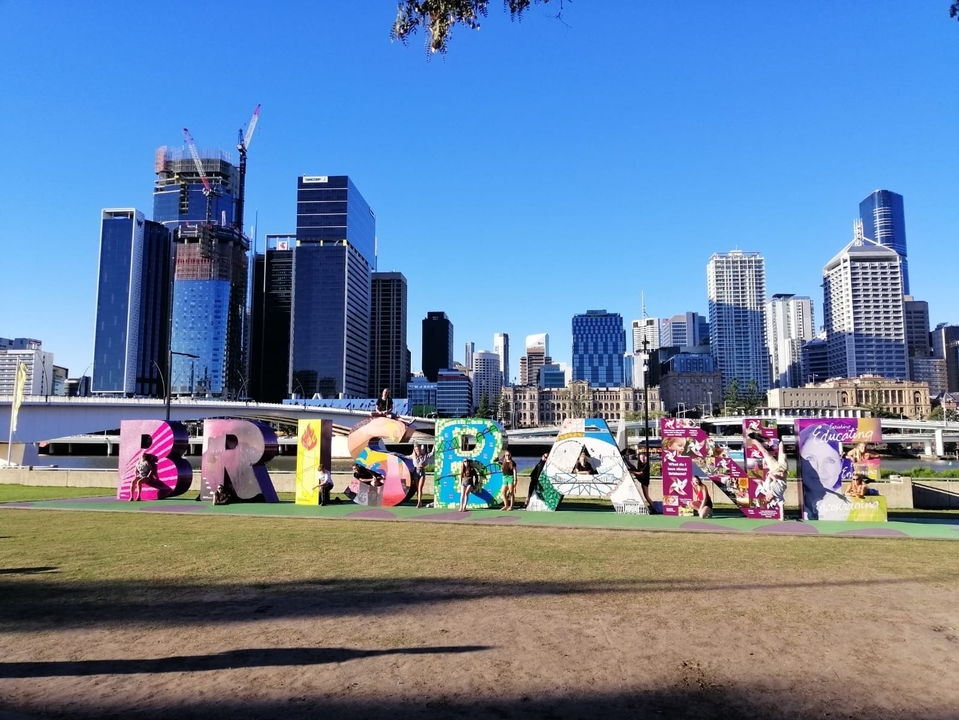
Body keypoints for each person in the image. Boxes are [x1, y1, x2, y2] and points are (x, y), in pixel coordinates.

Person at [799, 423, 850, 520]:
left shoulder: (855, 510)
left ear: (841, 465)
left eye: (830, 460)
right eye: (810, 459)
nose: (820, 470)